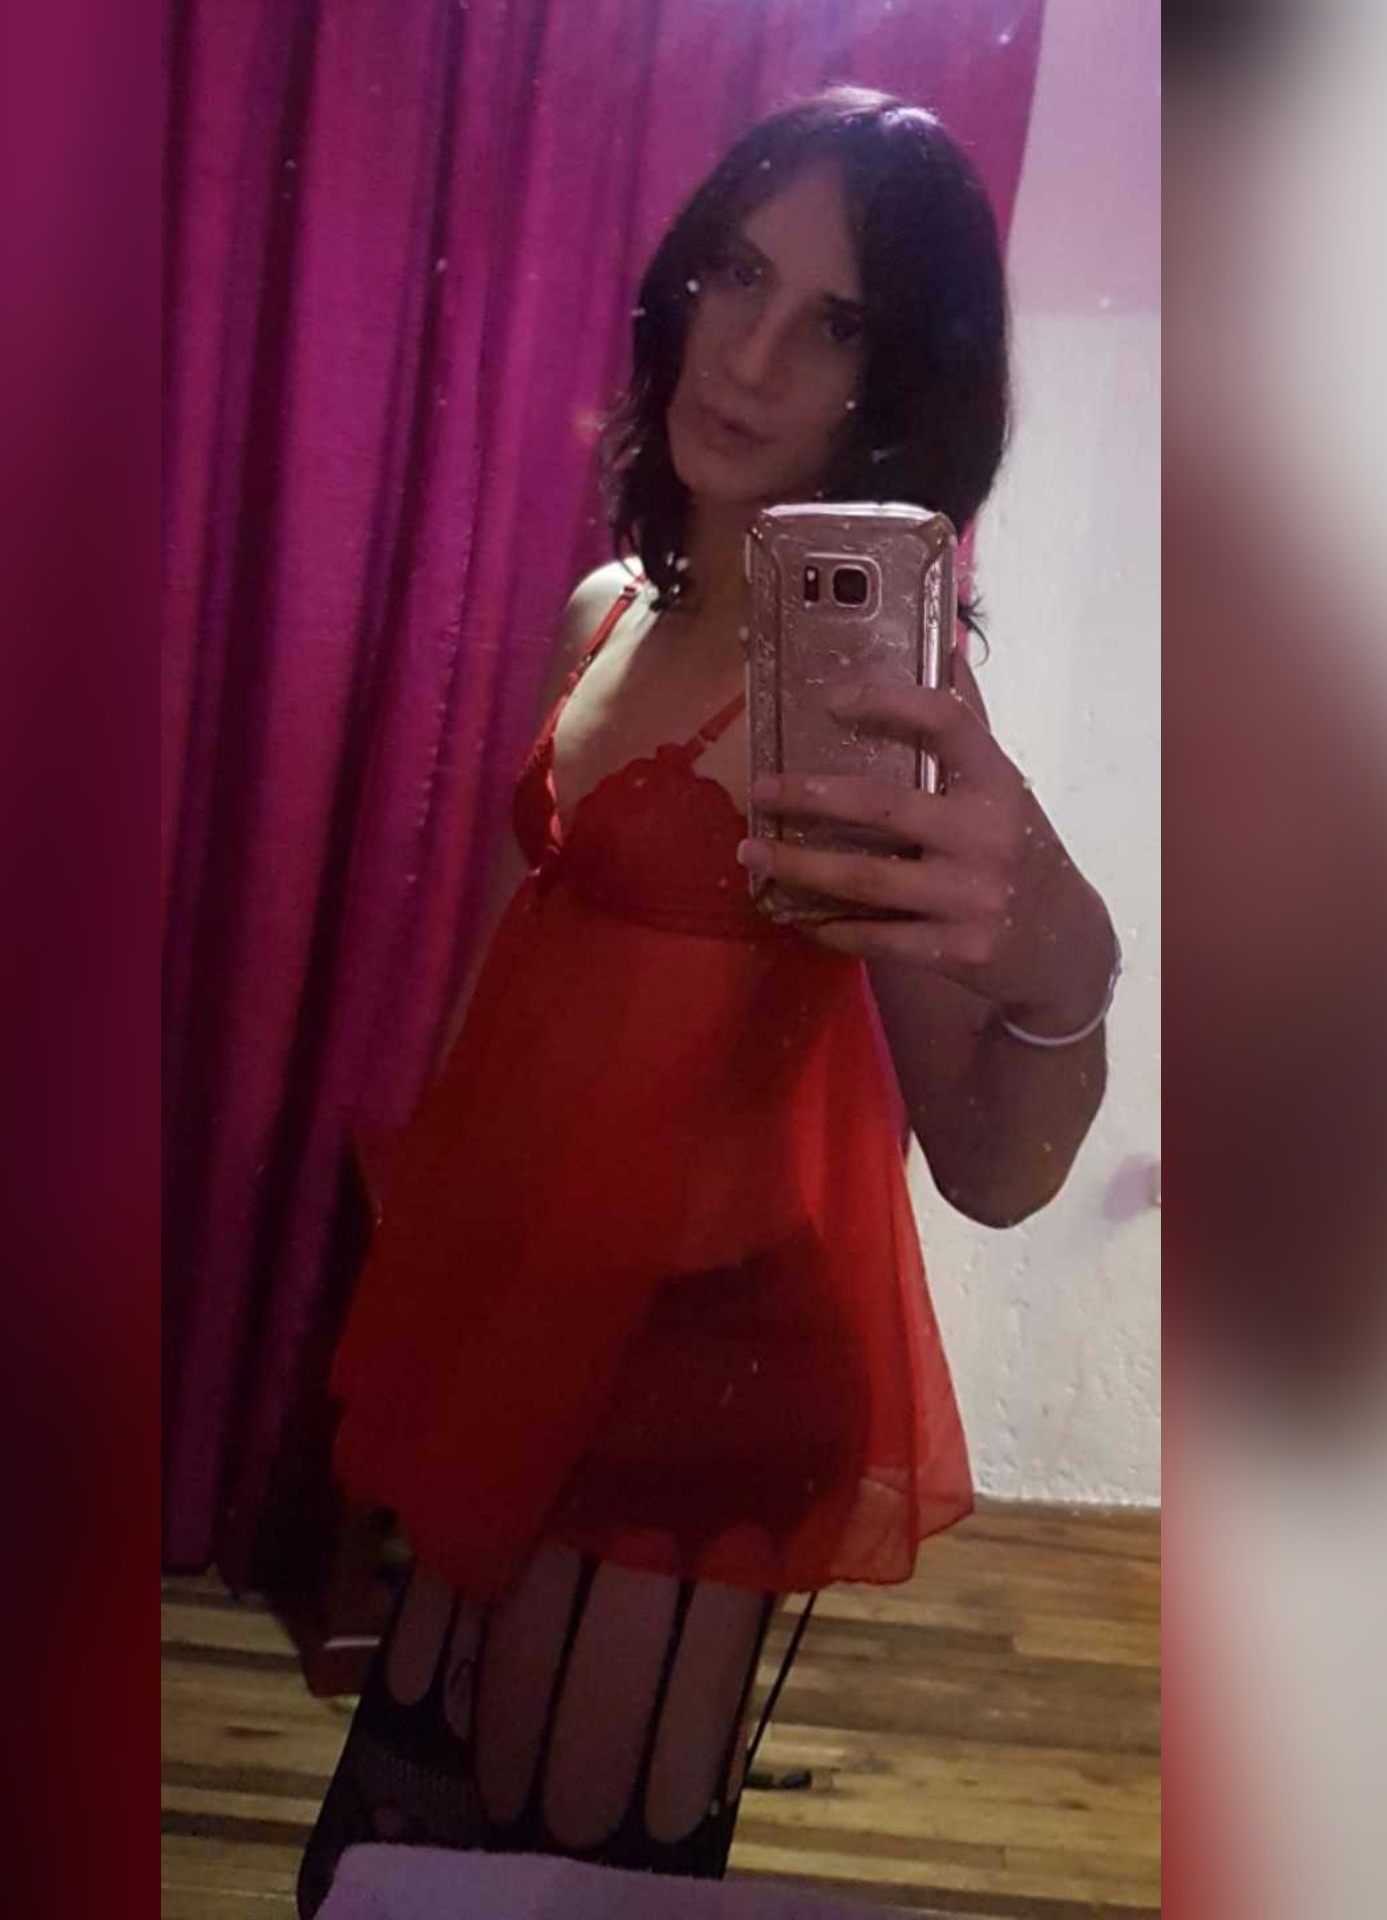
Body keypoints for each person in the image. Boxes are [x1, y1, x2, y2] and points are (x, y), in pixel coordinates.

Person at [298, 88, 1118, 1914]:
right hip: (511, 1316)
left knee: (562, 1877)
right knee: (384, 1841)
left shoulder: (864, 713)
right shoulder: (601, 610)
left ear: (893, 384)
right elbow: (505, 990)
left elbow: (990, 1167)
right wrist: (422, 1273)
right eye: (736, 275)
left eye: (833, 323)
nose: (747, 356)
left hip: (702, 1367)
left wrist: (1069, 973)